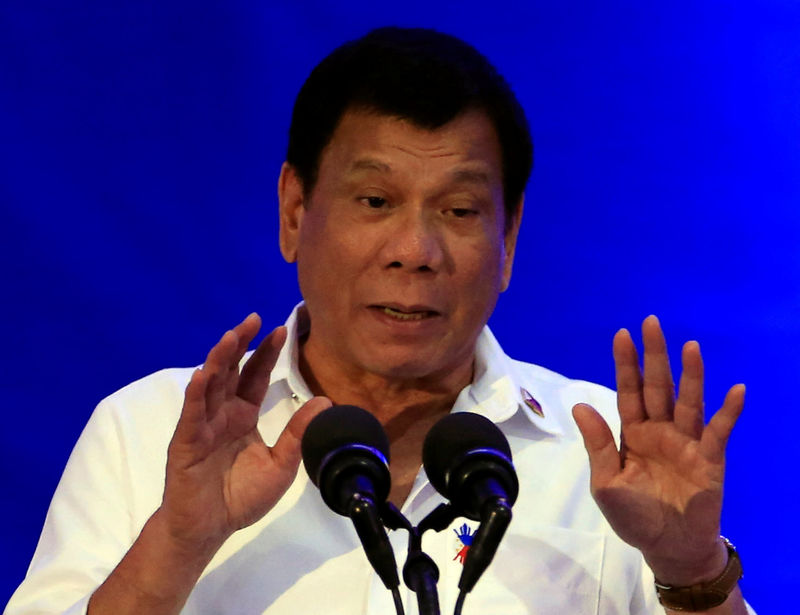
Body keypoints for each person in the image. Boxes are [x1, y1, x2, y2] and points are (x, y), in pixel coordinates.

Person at [5, 27, 753, 615]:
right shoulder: (147, 433)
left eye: (459, 211)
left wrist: (691, 571)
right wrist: (178, 540)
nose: (415, 251)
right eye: (374, 202)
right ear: (294, 212)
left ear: (508, 240)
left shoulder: (607, 460)